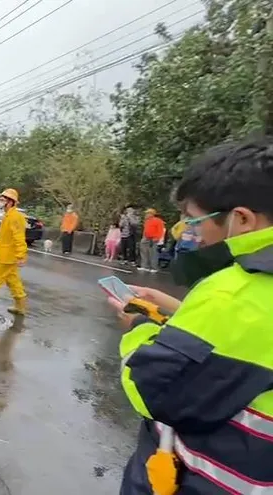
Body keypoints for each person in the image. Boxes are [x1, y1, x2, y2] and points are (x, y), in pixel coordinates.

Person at [108, 136, 273, 494]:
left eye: (197, 221)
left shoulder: (234, 292)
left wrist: (138, 325)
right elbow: (240, 340)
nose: (191, 234)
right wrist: (177, 309)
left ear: (241, 218)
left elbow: (155, 390)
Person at [138, 208, 166, 273]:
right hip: (146, 237)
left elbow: (160, 230)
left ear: (151, 214)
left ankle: (154, 267)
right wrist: (143, 236)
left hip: (153, 238)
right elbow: (145, 230)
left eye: (148, 213)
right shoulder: (147, 221)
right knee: (144, 252)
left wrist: (157, 237)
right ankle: (144, 266)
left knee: (153, 253)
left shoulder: (158, 221)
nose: (146, 214)